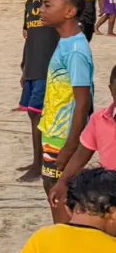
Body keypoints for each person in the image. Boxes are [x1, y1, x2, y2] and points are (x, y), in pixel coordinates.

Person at [38, 0, 94, 218]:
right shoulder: (65, 42)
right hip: (54, 130)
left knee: (59, 192)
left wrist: (71, 146)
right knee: (52, 186)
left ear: (69, 11)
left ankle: (65, 235)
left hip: (63, 135)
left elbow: (83, 102)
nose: (41, 9)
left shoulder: (75, 51)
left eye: (48, 5)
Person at [50, 68, 116, 215]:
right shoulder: (99, 119)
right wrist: (62, 182)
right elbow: (82, 153)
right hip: (109, 197)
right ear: (111, 89)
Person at [18, 0, 61, 183]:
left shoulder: (53, 3)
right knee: (32, 114)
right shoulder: (28, 3)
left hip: (48, 66)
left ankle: (39, 164)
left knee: (40, 117)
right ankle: (37, 160)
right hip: (33, 65)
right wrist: (24, 66)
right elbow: (29, 36)